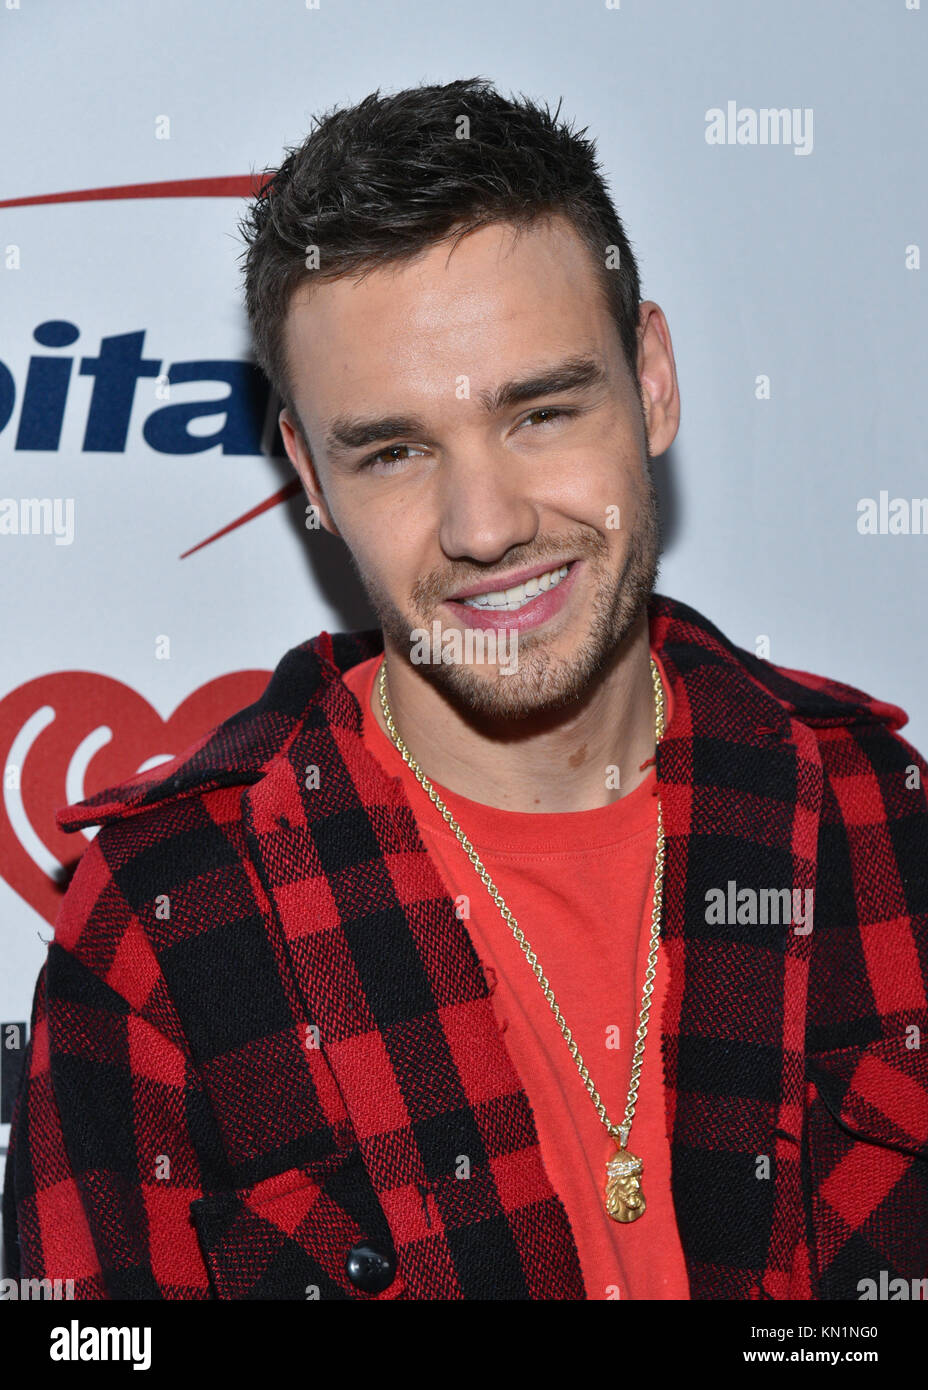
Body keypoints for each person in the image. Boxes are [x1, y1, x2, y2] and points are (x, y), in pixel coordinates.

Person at [4, 77, 927, 1302]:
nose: (485, 528)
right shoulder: (169, 918)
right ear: (308, 476)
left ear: (650, 379)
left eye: (540, 412)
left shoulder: (882, 819)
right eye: (393, 451)